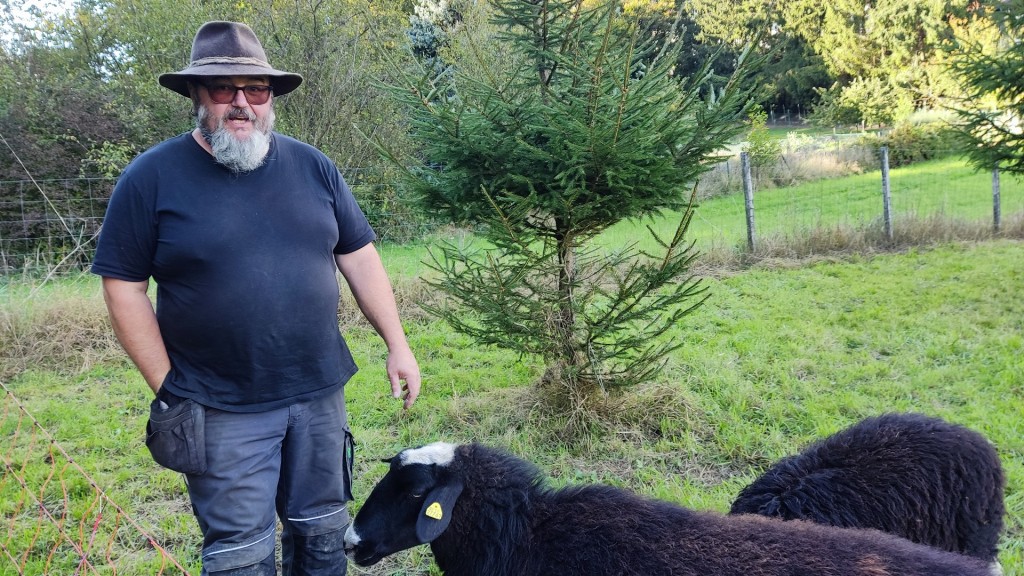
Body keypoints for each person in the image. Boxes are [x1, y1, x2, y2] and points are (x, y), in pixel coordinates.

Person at [91, 21, 421, 576]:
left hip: (318, 394)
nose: (242, 103)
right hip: (218, 405)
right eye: (224, 89)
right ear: (197, 96)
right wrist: (167, 386)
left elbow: (360, 256)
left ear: (271, 99)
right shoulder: (150, 178)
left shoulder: (314, 167)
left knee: (321, 533)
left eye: (256, 90)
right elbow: (122, 285)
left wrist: (398, 343)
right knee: (240, 554)